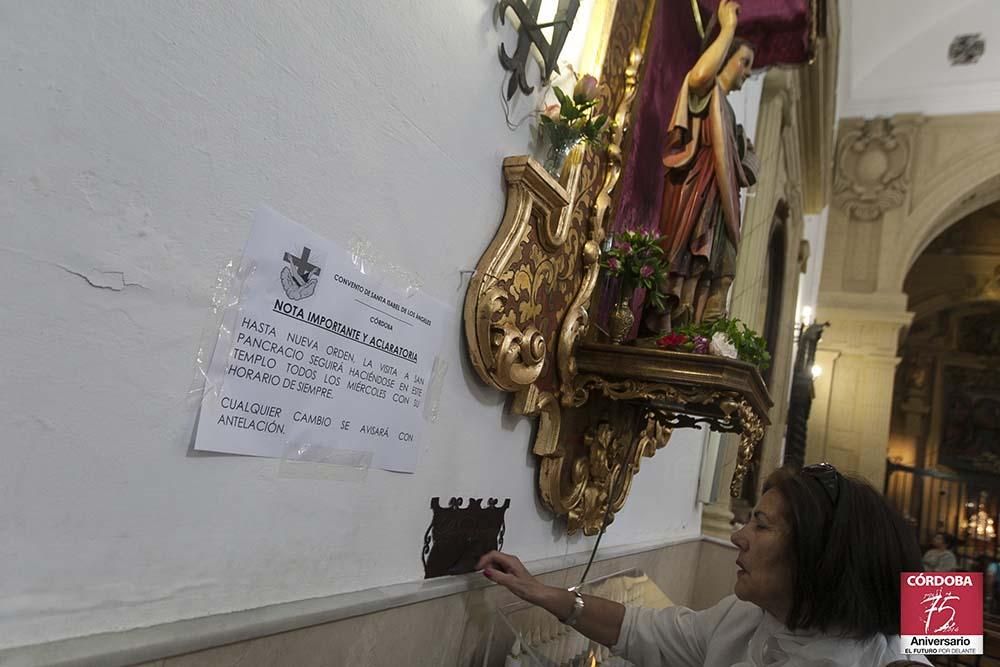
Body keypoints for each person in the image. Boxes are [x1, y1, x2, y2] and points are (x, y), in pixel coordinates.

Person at [478, 464, 930, 666]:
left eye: (761, 525)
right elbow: (651, 633)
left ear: (817, 556)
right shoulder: (753, 616)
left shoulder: (882, 659)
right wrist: (547, 595)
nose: (738, 536)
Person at [646, 0, 760, 332]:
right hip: (693, 194)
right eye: (745, 62)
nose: (748, 72)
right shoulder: (708, 93)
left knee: (717, 273)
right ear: (727, 58)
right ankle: (670, 328)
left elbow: (738, 167)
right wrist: (728, 29)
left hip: (716, 204)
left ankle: (695, 334)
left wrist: (747, 162)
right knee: (686, 265)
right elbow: (698, 75)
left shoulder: (729, 114)